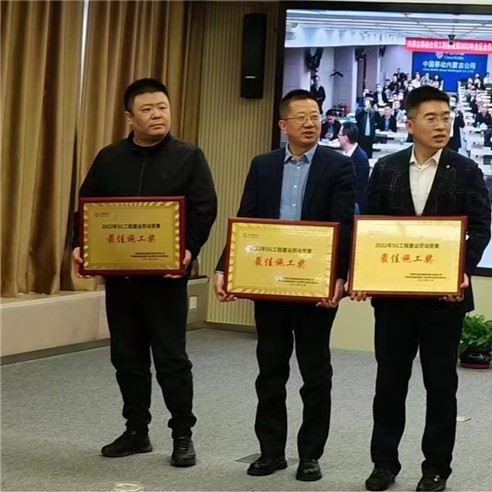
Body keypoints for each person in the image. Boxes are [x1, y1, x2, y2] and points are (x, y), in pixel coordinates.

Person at [71, 78, 217, 467]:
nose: (157, 115)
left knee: (172, 360)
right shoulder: (109, 158)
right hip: (121, 280)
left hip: (166, 280)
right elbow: (87, 208)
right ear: (129, 117)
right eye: (147, 109)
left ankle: (182, 435)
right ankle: (136, 431)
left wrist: (188, 251)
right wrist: (79, 245)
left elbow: (204, 209)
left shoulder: (189, 156)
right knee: (127, 357)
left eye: (162, 107)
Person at [352, 85, 491, 492]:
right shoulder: (386, 168)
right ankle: (384, 464)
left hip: (443, 300)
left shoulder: (466, 170)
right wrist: (364, 272)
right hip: (394, 300)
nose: (441, 125)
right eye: (431, 118)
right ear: (410, 124)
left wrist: (463, 269)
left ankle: (436, 468)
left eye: (446, 117)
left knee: (441, 387)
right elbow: (371, 227)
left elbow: (480, 228)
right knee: (389, 384)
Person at [213, 89, 355, 482]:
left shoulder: (338, 166)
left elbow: (344, 224)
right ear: (283, 124)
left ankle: (310, 455)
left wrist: (340, 277)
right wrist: (226, 267)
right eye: (302, 117)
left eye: (316, 116)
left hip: (315, 287)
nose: (311, 123)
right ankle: (271, 452)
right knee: (270, 371)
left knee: (315, 373)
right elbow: (247, 219)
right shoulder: (264, 165)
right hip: (271, 284)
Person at [339, 121, 370, 212]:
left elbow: (360, 189)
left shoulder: (361, 158)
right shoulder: (343, 155)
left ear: (345, 138)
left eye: (339, 135)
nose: (338, 137)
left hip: (352, 207)